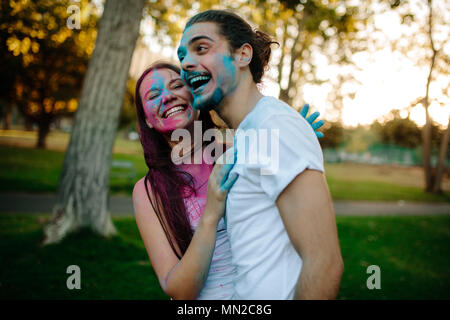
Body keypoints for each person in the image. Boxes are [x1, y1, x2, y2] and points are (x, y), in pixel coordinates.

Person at [178, 10, 343, 299]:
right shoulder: (251, 133)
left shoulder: (275, 125)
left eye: (201, 48)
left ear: (243, 55)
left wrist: (289, 133)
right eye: (182, 57)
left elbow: (324, 263)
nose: (186, 64)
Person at [132, 62, 324, 300]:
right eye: (154, 95)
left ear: (195, 96)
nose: (168, 96)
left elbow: (290, 215)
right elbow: (180, 290)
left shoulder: (242, 152)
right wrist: (211, 214)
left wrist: (292, 142)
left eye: (177, 85)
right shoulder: (149, 191)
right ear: (147, 121)